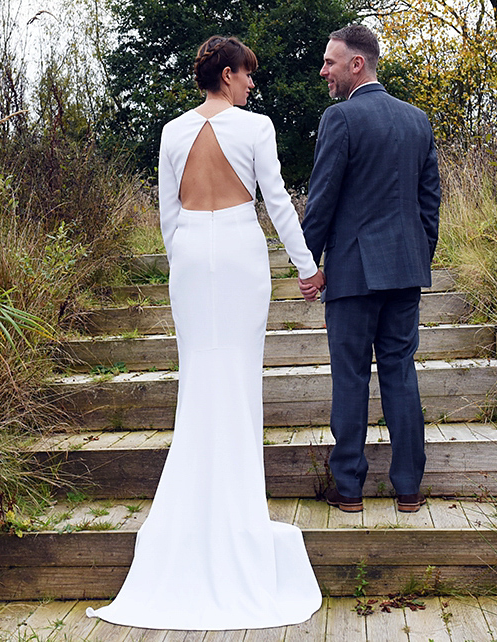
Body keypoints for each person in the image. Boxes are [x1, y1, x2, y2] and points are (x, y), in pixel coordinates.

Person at [87, 36, 324, 630]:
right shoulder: (256, 128)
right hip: (241, 252)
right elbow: (278, 203)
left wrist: (185, 257)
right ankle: (235, 509)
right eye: (246, 75)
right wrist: (305, 264)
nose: (251, 84)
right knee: (238, 379)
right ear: (226, 74)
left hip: (192, 255)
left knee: (200, 378)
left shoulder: (171, 132)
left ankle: (202, 508)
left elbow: (167, 212)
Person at [300, 25, 441, 514]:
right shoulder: (418, 120)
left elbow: (322, 200)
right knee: (401, 374)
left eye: (330, 62)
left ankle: (350, 489)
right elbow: (430, 203)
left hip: (355, 273)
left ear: (356, 63)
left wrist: (308, 263)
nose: (324, 71)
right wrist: (421, 254)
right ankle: (408, 488)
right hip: (405, 271)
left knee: (351, 378)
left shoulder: (341, 118)